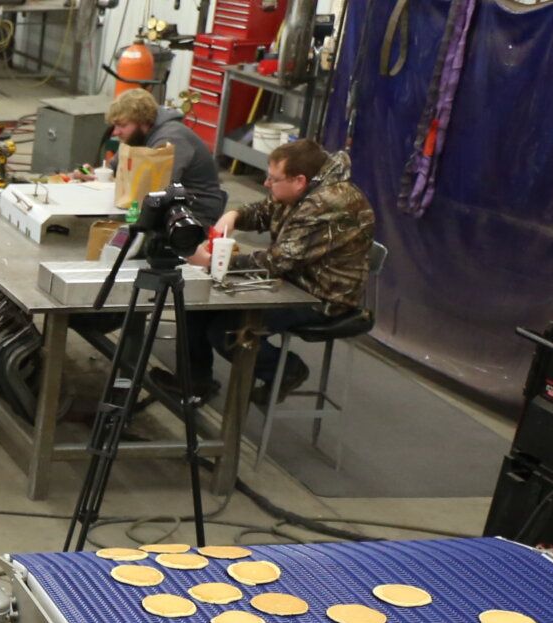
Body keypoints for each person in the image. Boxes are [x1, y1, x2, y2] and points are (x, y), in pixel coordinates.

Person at [181, 137, 376, 402]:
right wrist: (235, 216)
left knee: (227, 331)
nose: (266, 184)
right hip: (294, 280)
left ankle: (286, 370)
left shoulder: (327, 204)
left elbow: (278, 261)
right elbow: (265, 210)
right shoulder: (307, 188)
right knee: (197, 307)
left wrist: (213, 262)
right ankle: (196, 385)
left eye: (273, 179)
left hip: (322, 295)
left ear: (299, 180)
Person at [106, 88, 226, 231]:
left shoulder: (171, 139)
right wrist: (91, 174)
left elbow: (159, 189)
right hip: (171, 204)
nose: (115, 132)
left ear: (142, 121)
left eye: (122, 125)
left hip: (197, 213)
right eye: (115, 125)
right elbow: (112, 167)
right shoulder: (136, 135)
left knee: (125, 232)